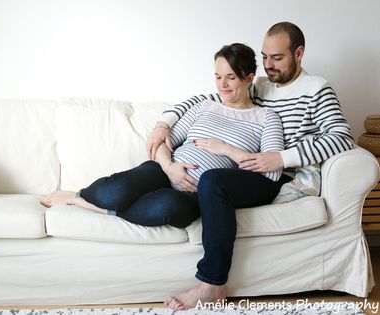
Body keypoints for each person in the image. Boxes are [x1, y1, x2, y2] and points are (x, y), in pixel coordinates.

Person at [148, 22, 355, 310]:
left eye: (277, 58)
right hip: (244, 170)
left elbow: (342, 137)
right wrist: (163, 124)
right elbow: (209, 99)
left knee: (213, 181)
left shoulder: (317, 89)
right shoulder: (260, 86)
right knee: (204, 180)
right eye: (265, 57)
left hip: (279, 175)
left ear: (299, 53)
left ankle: (212, 284)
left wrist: (283, 158)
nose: (268, 65)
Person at [41, 43, 285, 230]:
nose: (222, 85)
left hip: (196, 193)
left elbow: (272, 173)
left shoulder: (265, 118)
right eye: (218, 76)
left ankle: (85, 205)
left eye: (231, 77)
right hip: (164, 171)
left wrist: (226, 149)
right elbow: (163, 143)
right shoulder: (205, 107)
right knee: (112, 193)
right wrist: (169, 168)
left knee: (167, 207)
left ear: (249, 77)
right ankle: (80, 196)